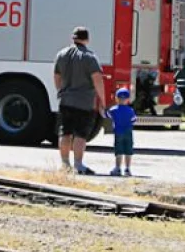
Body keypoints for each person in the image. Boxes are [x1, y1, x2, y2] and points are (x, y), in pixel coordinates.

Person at [54, 26, 105, 175]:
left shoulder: (61, 54)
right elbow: (97, 80)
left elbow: (57, 76)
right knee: (80, 134)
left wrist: (61, 91)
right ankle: (78, 164)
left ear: (73, 38)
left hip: (65, 100)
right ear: (87, 39)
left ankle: (64, 164)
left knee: (65, 132)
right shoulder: (90, 57)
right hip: (84, 102)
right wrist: (102, 99)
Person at [106, 87, 137, 176]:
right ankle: (127, 169)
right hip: (128, 132)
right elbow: (134, 120)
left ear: (116, 98)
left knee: (119, 150)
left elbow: (107, 115)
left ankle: (118, 168)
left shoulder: (113, 109)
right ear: (128, 100)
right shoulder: (130, 110)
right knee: (128, 150)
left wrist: (101, 110)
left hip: (118, 132)